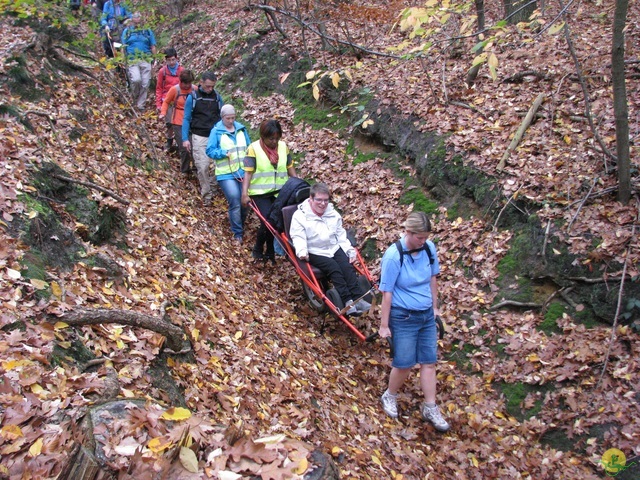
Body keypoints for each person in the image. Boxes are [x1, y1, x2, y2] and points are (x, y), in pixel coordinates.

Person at [378, 211, 450, 432]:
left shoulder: (429, 249)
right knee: (405, 362)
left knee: (429, 361)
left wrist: (435, 308)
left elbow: (432, 278)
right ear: (408, 232)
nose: (423, 241)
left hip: (426, 315)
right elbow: (387, 292)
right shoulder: (393, 256)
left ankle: (430, 406)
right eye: (420, 237)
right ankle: (389, 395)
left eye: (426, 237)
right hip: (404, 316)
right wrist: (384, 325)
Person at [289, 183, 371, 316]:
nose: (322, 204)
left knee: (347, 267)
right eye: (319, 200)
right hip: (314, 250)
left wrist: (349, 250)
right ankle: (347, 302)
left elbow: (340, 235)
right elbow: (298, 236)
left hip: (333, 246)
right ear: (311, 199)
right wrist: (301, 251)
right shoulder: (300, 216)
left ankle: (358, 298)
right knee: (334, 268)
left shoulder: (332, 214)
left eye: (326, 200)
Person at [241, 119, 296, 264]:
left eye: (277, 138)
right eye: (271, 139)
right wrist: (244, 194)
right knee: (268, 223)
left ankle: (269, 251)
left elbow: (290, 167)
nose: (274, 142)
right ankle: (259, 248)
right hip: (260, 194)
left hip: (280, 192)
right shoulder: (253, 149)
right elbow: (248, 173)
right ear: (263, 136)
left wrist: (297, 184)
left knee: (276, 223)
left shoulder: (283, 147)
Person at [206, 105, 251, 241]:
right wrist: (223, 153)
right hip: (226, 173)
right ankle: (237, 233)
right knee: (235, 199)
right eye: (228, 118)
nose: (231, 121)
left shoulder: (241, 129)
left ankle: (240, 223)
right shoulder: (216, 131)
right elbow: (210, 150)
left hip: (243, 171)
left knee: (245, 201)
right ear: (222, 117)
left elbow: (249, 148)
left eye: (233, 118)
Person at [182, 72, 224, 206]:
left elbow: (222, 118)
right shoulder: (193, 98)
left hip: (214, 136)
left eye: (212, 86)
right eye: (207, 86)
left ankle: (212, 188)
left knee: (217, 167)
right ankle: (206, 196)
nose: (210, 89)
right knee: (203, 166)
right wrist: (185, 138)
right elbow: (186, 118)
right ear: (201, 83)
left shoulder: (217, 98)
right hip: (199, 136)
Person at [160, 70, 195, 174]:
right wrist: (163, 112)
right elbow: (166, 101)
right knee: (184, 147)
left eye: (189, 83)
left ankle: (195, 168)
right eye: (185, 83)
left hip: (192, 121)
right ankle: (184, 170)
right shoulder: (174, 90)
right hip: (178, 121)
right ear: (181, 82)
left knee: (194, 146)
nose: (187, 85)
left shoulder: (195, 89)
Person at [121, 12, 156, 111]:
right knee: (136, 80)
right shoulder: (127, 32)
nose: (137, 21)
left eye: (139, 18)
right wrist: (124, 60)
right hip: (132, 59)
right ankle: (134, 97)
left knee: (145, 83)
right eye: (135, 19)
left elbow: (152, 46)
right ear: (132, 20)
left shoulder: (147, 31)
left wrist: (155, 59)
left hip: (146, 58)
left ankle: (141, 104)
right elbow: (123, 47)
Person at [155, 48, 183, 152]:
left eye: (173, 60)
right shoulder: (163, 72)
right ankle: (169, 142)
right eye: (169, 60)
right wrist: (159, 104)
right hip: (167, 100)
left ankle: (180, 144)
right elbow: (159, 88)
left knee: (179, 124)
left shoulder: (181, 71)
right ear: (165, 60)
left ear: (176, 58)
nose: (171, 62)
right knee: (169, 123)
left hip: (179, 100)